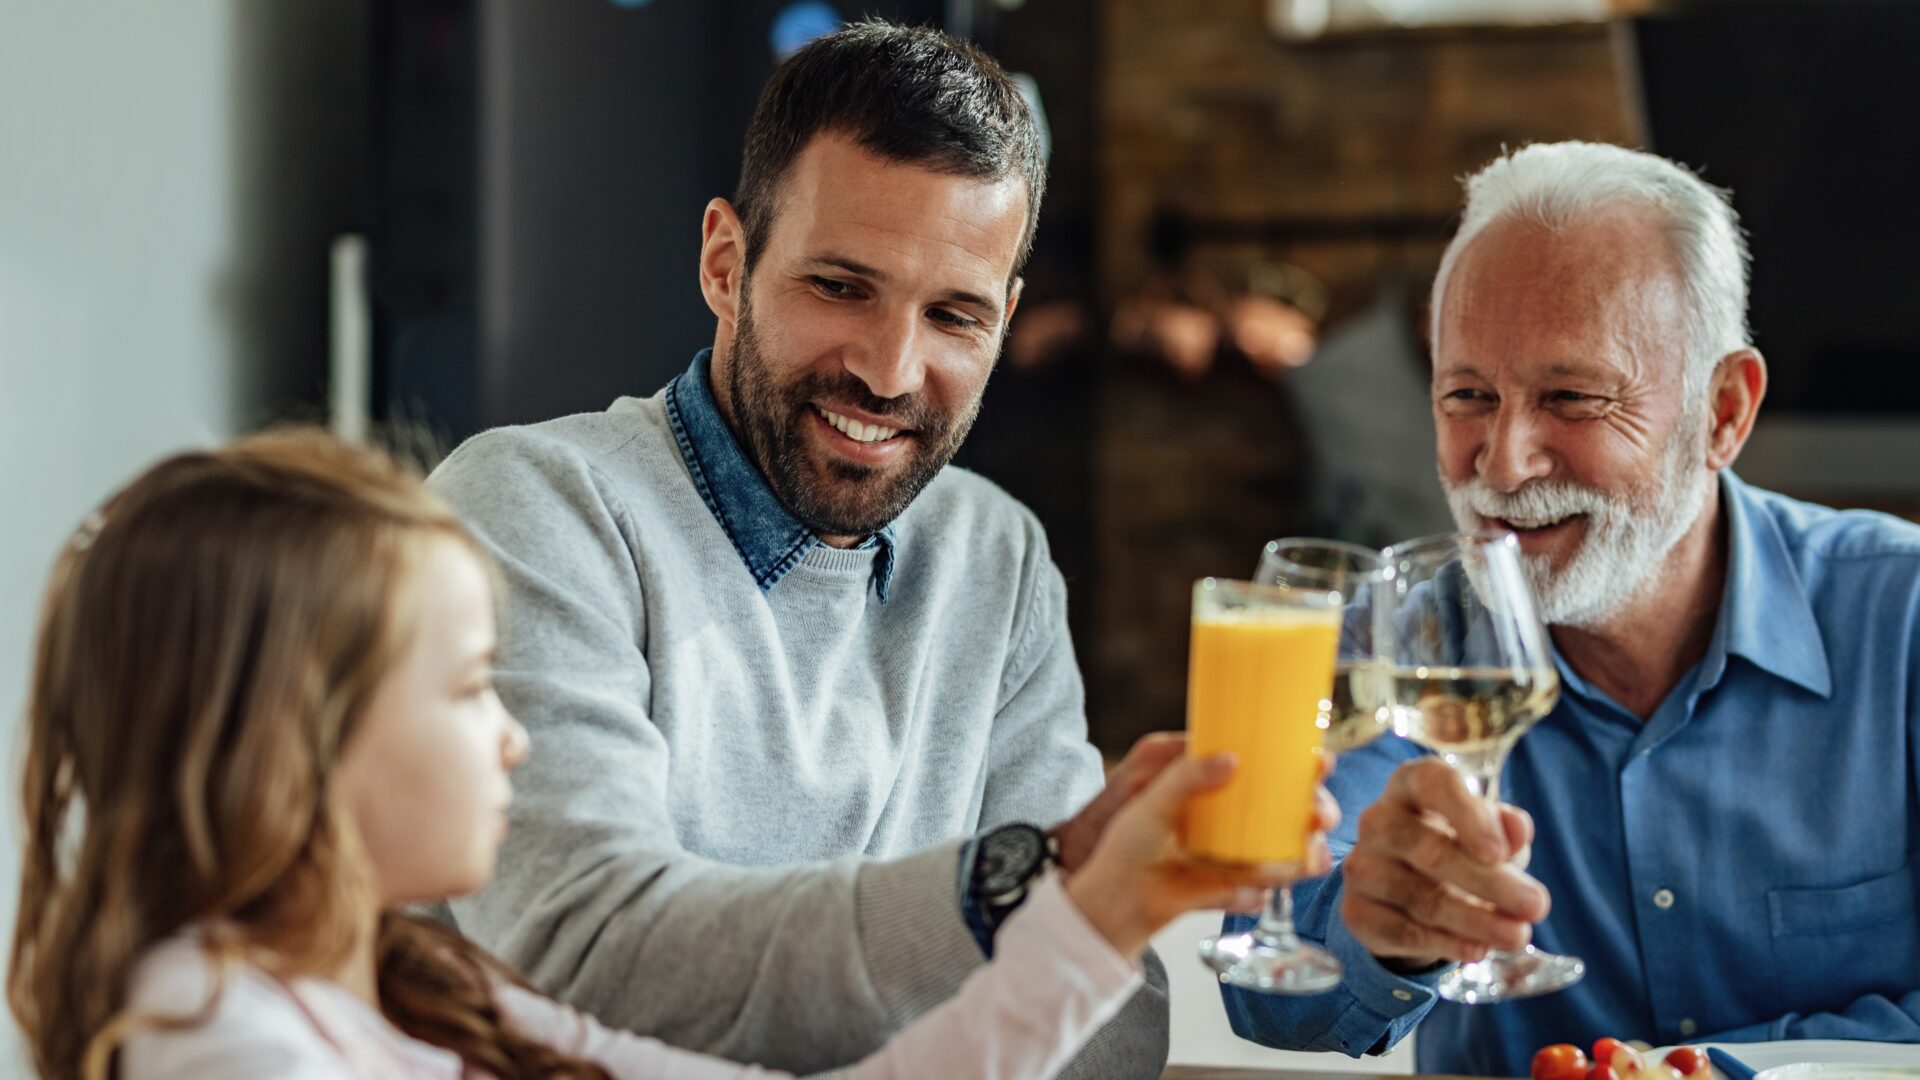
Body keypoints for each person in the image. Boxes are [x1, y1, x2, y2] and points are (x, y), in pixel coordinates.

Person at [6, 429, 1328, 1080]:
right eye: (469, 687)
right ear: (301, 733)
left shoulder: (424, 992)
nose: (514, 728)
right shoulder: (229, 1045)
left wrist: (1112, 914)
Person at [425, 20, 1174, 1077]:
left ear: (1004, 321)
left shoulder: (995, 556)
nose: (891, 370)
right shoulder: (534, 511)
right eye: (840, 287)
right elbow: (583, 953)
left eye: (954, 316)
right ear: (727, 263)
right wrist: (999, 901)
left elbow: (1115, 1026)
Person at [1224, 141, 1920, 1075]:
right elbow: (1265, 997)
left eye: (1573, 397)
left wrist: (1718, 1071)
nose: (1504, 464)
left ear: (1723, 412)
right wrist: (1388, 931)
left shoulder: (1901, 617)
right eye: (1468, 394)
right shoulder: (1396, 637)